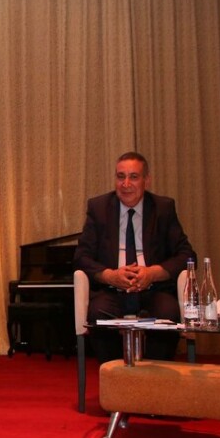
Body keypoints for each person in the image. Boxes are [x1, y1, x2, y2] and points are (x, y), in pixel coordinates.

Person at [73, 151, 196, 363]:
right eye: (120, 177)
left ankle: (153, 374)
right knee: (97, 313)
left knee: (168, 312)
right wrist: (110, 276)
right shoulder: (99, 208)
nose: (126, 184)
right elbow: (81, 257)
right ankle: (114, 373)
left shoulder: (163, 208)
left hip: (154, 289)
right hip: (112, 291)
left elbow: (187, 255)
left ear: (146, 180)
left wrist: (153, 273)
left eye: (134, 177)